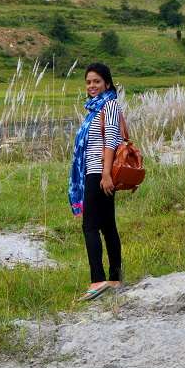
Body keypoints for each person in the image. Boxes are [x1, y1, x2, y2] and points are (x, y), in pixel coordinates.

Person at [68, 62, 123, 301]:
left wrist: (106, 174)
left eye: (97, 81)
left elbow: (111, 139)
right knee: (107, 225)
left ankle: (97, 279)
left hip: (99, 173)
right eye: (89, 82)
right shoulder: (94, 108)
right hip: (96, 172)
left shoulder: (108, 105)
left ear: (107, 84)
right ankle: (115, 277)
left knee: (90, 226)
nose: (92, 86)